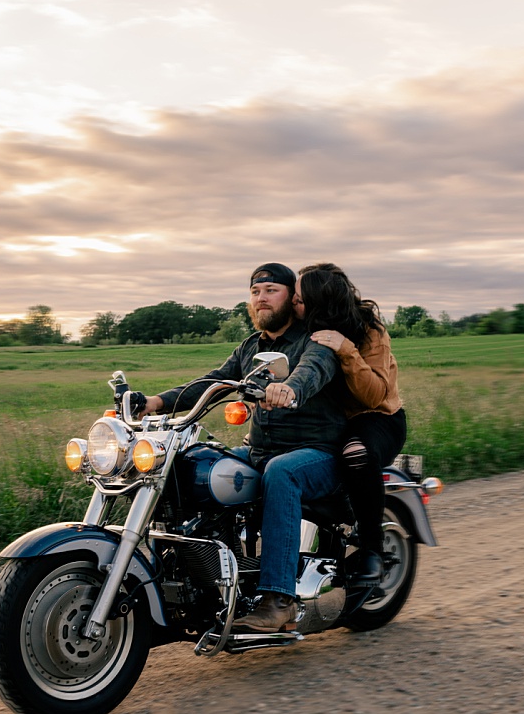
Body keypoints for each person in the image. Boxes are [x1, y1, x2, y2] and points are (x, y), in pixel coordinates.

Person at [137, 263, 347, 633]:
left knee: (281, 472)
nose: (261, 298)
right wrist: (155, 401)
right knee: (187, 467)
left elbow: (310, 371)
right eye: (255, 292)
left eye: (271, 291)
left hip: (317, 452)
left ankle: (278, 599)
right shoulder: (251, 346)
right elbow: (213, 381)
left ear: (291, 298)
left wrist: (290, 389)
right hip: (260, 450)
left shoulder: (315, 339)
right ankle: (182, 583)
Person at [294, 262, 407, 589]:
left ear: (321, 301)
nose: (294, 304)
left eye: (301, 298)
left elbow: (374, 396)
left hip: (377, 419)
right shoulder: (303, 330)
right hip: (329, 422)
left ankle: (371, 550)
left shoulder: (369, 330)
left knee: (355, 452)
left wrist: (346, 350)